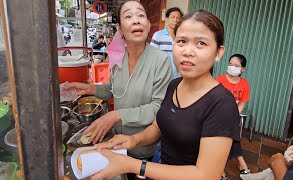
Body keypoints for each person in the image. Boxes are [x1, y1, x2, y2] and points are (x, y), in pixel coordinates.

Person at [89, 9, 241, 180]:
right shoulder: (174, 85)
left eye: (201, 44)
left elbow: (206, 175)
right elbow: (158, 127)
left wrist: (133, 165)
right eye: (181, 41)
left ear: (218, 53)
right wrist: (133, 140)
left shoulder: (222, 104)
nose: (188, 51)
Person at [64, 1, 172, 179]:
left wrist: (116, 115)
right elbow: (114, 90)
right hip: (116, 142)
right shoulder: (118, 57)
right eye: (128, 16)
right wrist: (88, 88)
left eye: (141, 15)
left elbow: (158, 109)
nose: (136, 20)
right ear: (120, 29)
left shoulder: (160, 61)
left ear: (147, 24)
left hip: (144, 146)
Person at [216, 54, 250, 179]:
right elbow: (212, 101)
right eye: (230, 64)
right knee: (230, 135)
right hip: (217, 116)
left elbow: (242, 102)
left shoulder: (244, 84)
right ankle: (241, 162)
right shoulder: (219, 80)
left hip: (232, 117)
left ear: (243, 69)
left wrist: (234, 114)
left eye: (236, 65)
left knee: (229, 136)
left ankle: (220, 170)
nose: (232, 67)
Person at [150, 7, 183, 79]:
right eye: (173, 17)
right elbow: (152, 56)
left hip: (179, 77)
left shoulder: (182, 37)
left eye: (178, 18)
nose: (175, 20)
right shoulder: (158, 35)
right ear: (167, 19)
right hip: (162, 76)